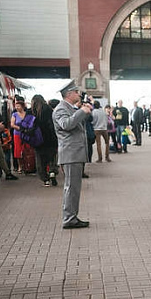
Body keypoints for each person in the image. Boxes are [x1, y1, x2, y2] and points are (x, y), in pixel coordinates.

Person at [53, 80, 90, 229]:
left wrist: (82, 111)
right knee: (71, 187)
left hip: (73, 154)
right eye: (76, 92)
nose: (79, 94)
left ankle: (72, 216)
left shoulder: (69, 108)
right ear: (69, 94)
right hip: (70, 154)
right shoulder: (61, 109)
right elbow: (66, 125)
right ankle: (69, 218)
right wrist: (82, 112)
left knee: (74, 187)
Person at [31, 95, 59, 186]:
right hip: (50, 139)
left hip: (38, 140)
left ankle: (45, 179)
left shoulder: (32, 111)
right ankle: (52, 172)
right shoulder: (49, 109)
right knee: (52, 158)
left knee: (40, 160)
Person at [0, 100, 18, 181]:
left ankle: (7, 172)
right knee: (0, 155)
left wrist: (0, 125)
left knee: (0, 155)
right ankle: (7, 173)